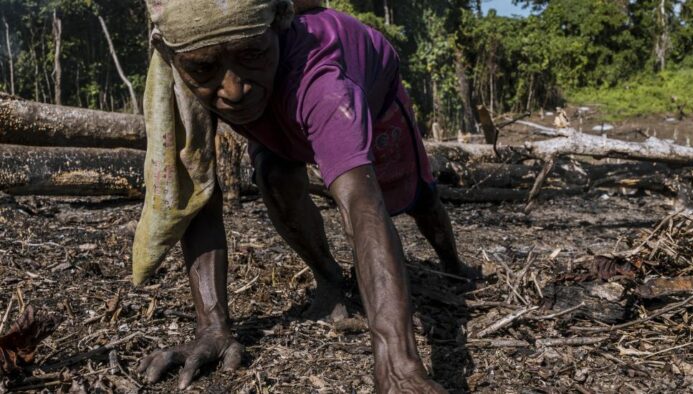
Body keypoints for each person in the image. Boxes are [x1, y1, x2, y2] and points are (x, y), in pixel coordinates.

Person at [132, 1, 474, 392]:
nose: (234, 88)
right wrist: (212, 327)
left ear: (277, 29)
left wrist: (398, 366)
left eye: (252, 55)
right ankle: (330, 283)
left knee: (418, 196)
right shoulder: (187, 70)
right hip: (277, 105)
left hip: (371, 97)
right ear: (174, 58)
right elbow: (199, 194)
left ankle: (454, 266)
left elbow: (361, 207)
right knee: (274, 174)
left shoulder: (323, 80)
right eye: (205, 68)